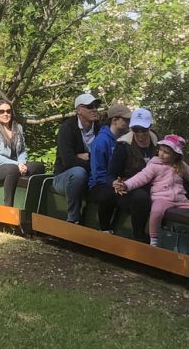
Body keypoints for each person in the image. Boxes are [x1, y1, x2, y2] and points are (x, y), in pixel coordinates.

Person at [118, 134, 189, 247]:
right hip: (161, 198)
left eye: (166, 152)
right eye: (160, 150)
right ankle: (154, 239)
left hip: (180, 199)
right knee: (156, 212)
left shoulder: (180, 166)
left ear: (175, 155)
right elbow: (140, 177)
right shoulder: (154, 166)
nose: (161, 154)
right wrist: (126, 185)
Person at [0, 100, 46, 207]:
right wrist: (17, 165)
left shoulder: (18, 128)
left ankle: (33, 205)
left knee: (38, 167)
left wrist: (22, 163)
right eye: (1, 111)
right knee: (12, 169)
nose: (5, 114)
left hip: (15, 165)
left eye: (8, 111)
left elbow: (22, 151)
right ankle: (8, 207)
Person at [110, 108, 160, 242]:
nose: (140, 134)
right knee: (141, 197)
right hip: (128, 189)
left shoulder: (158, 144)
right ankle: (139, 237)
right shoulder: (123, 146)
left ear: (150, 127)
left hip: (155, 185)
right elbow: (113, 173)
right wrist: (117, 183)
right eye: (136, 130)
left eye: (143, 130)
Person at [53, 92, 101, 223]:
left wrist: (87, 157)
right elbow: (68, 161)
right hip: (63, 177)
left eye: (95, 106)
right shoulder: (67, 128)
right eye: (90, 106)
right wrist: (94, 163)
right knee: (78, 173)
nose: (94, 109)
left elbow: (105, 157)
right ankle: (73, 219)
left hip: (92, 176)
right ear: (79, 110)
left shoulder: (100, 128)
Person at [88, 103, 132, 231]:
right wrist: (114, 183)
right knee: (109, 195)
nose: (129, 123)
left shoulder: (125, 140)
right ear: (114, 120)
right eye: (126, 120)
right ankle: (104, 229)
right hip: (99, 184)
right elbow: (98, 174)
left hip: (120, 181)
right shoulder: (101, 141)